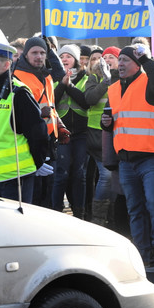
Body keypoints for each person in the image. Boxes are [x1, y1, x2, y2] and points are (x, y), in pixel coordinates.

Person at [101, 44, 154, 272]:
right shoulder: (113, 89)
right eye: (119, 60)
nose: (120, 64)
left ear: (137, 64)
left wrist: (147, 59)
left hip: (151, 157)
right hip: (126, 161)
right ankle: (144, 254)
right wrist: (107, 124)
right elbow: (114, 119)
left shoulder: (150, 84)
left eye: (126, 60)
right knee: (135, 208)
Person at [0, 39, 50, 202]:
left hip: (16, 178)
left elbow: (38, 133)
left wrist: (35, 164)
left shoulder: (19, 93)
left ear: (6, 65)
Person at [13, 36, 68, 208]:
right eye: (34, 52)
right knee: (35, 194)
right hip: (30, 142)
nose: (39, 56)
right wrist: (38, 112)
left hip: (49, 139)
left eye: (43, 53)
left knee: (49, 191)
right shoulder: (16, 75)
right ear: (26, 55)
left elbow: (51, 105)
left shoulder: (47, 75)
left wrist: (59, 125)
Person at [52, 44, 90, 217]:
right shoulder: (53, 78)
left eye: (68, 56)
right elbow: (52, 100)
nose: (64, 59)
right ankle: (56, 212)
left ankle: (79, 213)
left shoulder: (85, 77)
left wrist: (70, 86)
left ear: (75, 60)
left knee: (79, 174)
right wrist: (62, 84)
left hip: (81, 133)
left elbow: (85, 102)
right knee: (61, 173)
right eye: (61, 56)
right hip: (61, 133)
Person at [84, 48, 118, 226]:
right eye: (104, 57)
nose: (107, 60)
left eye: (111, 57)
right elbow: (89, 98)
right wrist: (106, 80)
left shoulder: (124, 78)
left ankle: (112, 218)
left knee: (115, 176)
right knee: (106, 175)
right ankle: (98, 219)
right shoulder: (95, 78)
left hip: (119, 133)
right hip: (98, 135)